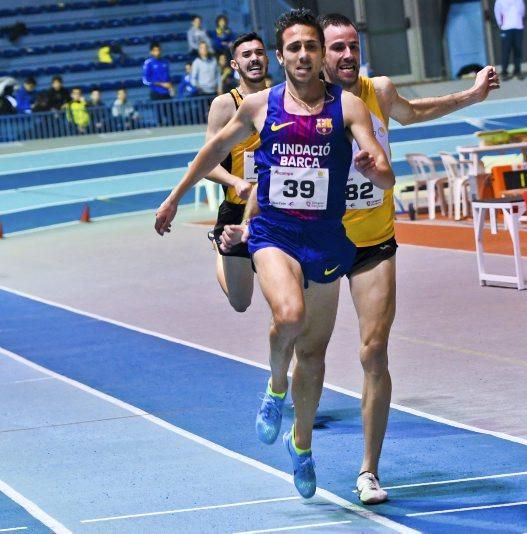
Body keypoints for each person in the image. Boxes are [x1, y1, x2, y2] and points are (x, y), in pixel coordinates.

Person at [154, 8, 394, 499]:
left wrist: (376, 168)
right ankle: (274, 388)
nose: (303, 55)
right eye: (294, 48)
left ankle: (301, 446)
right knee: (289, 315)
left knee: (314, 351)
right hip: (273, 233)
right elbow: (211, 150)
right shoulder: (261, 105)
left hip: (327, 239)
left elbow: (387, 176)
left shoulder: (348, 108)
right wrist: (175, 196)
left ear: (320, 54)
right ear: (281, 56)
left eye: (311, 46)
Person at [316, 13, 500, 504]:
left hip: (373, 239)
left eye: (353, 45)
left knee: (373, 351)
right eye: (337, 48)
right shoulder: (301, 104)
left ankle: (369, 472)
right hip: (316, 240)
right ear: (319, 54)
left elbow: (414, 112)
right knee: (305, 347)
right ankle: (293, 422)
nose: (348, 55)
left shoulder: (379, 90)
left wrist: (471, 96)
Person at [201, 32, 268, 312]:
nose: (254, 58)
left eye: (258, 53)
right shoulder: (225, 105)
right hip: (236, 211)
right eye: (246, 55)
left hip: (274, 212)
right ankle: (220, 246)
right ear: (235, 64)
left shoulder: (282, 97)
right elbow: (206, 163)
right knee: (240, 302)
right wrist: (234, 180)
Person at [494, 0, 526, 80]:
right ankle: (504, 72)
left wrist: (519, 21)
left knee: (518, 50)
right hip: (506, 28)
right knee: (506, 51)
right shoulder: (499, 1)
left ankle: (517, 71)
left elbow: (522, 11)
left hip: (518, 27)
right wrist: (500, 24)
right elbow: (497, 12)